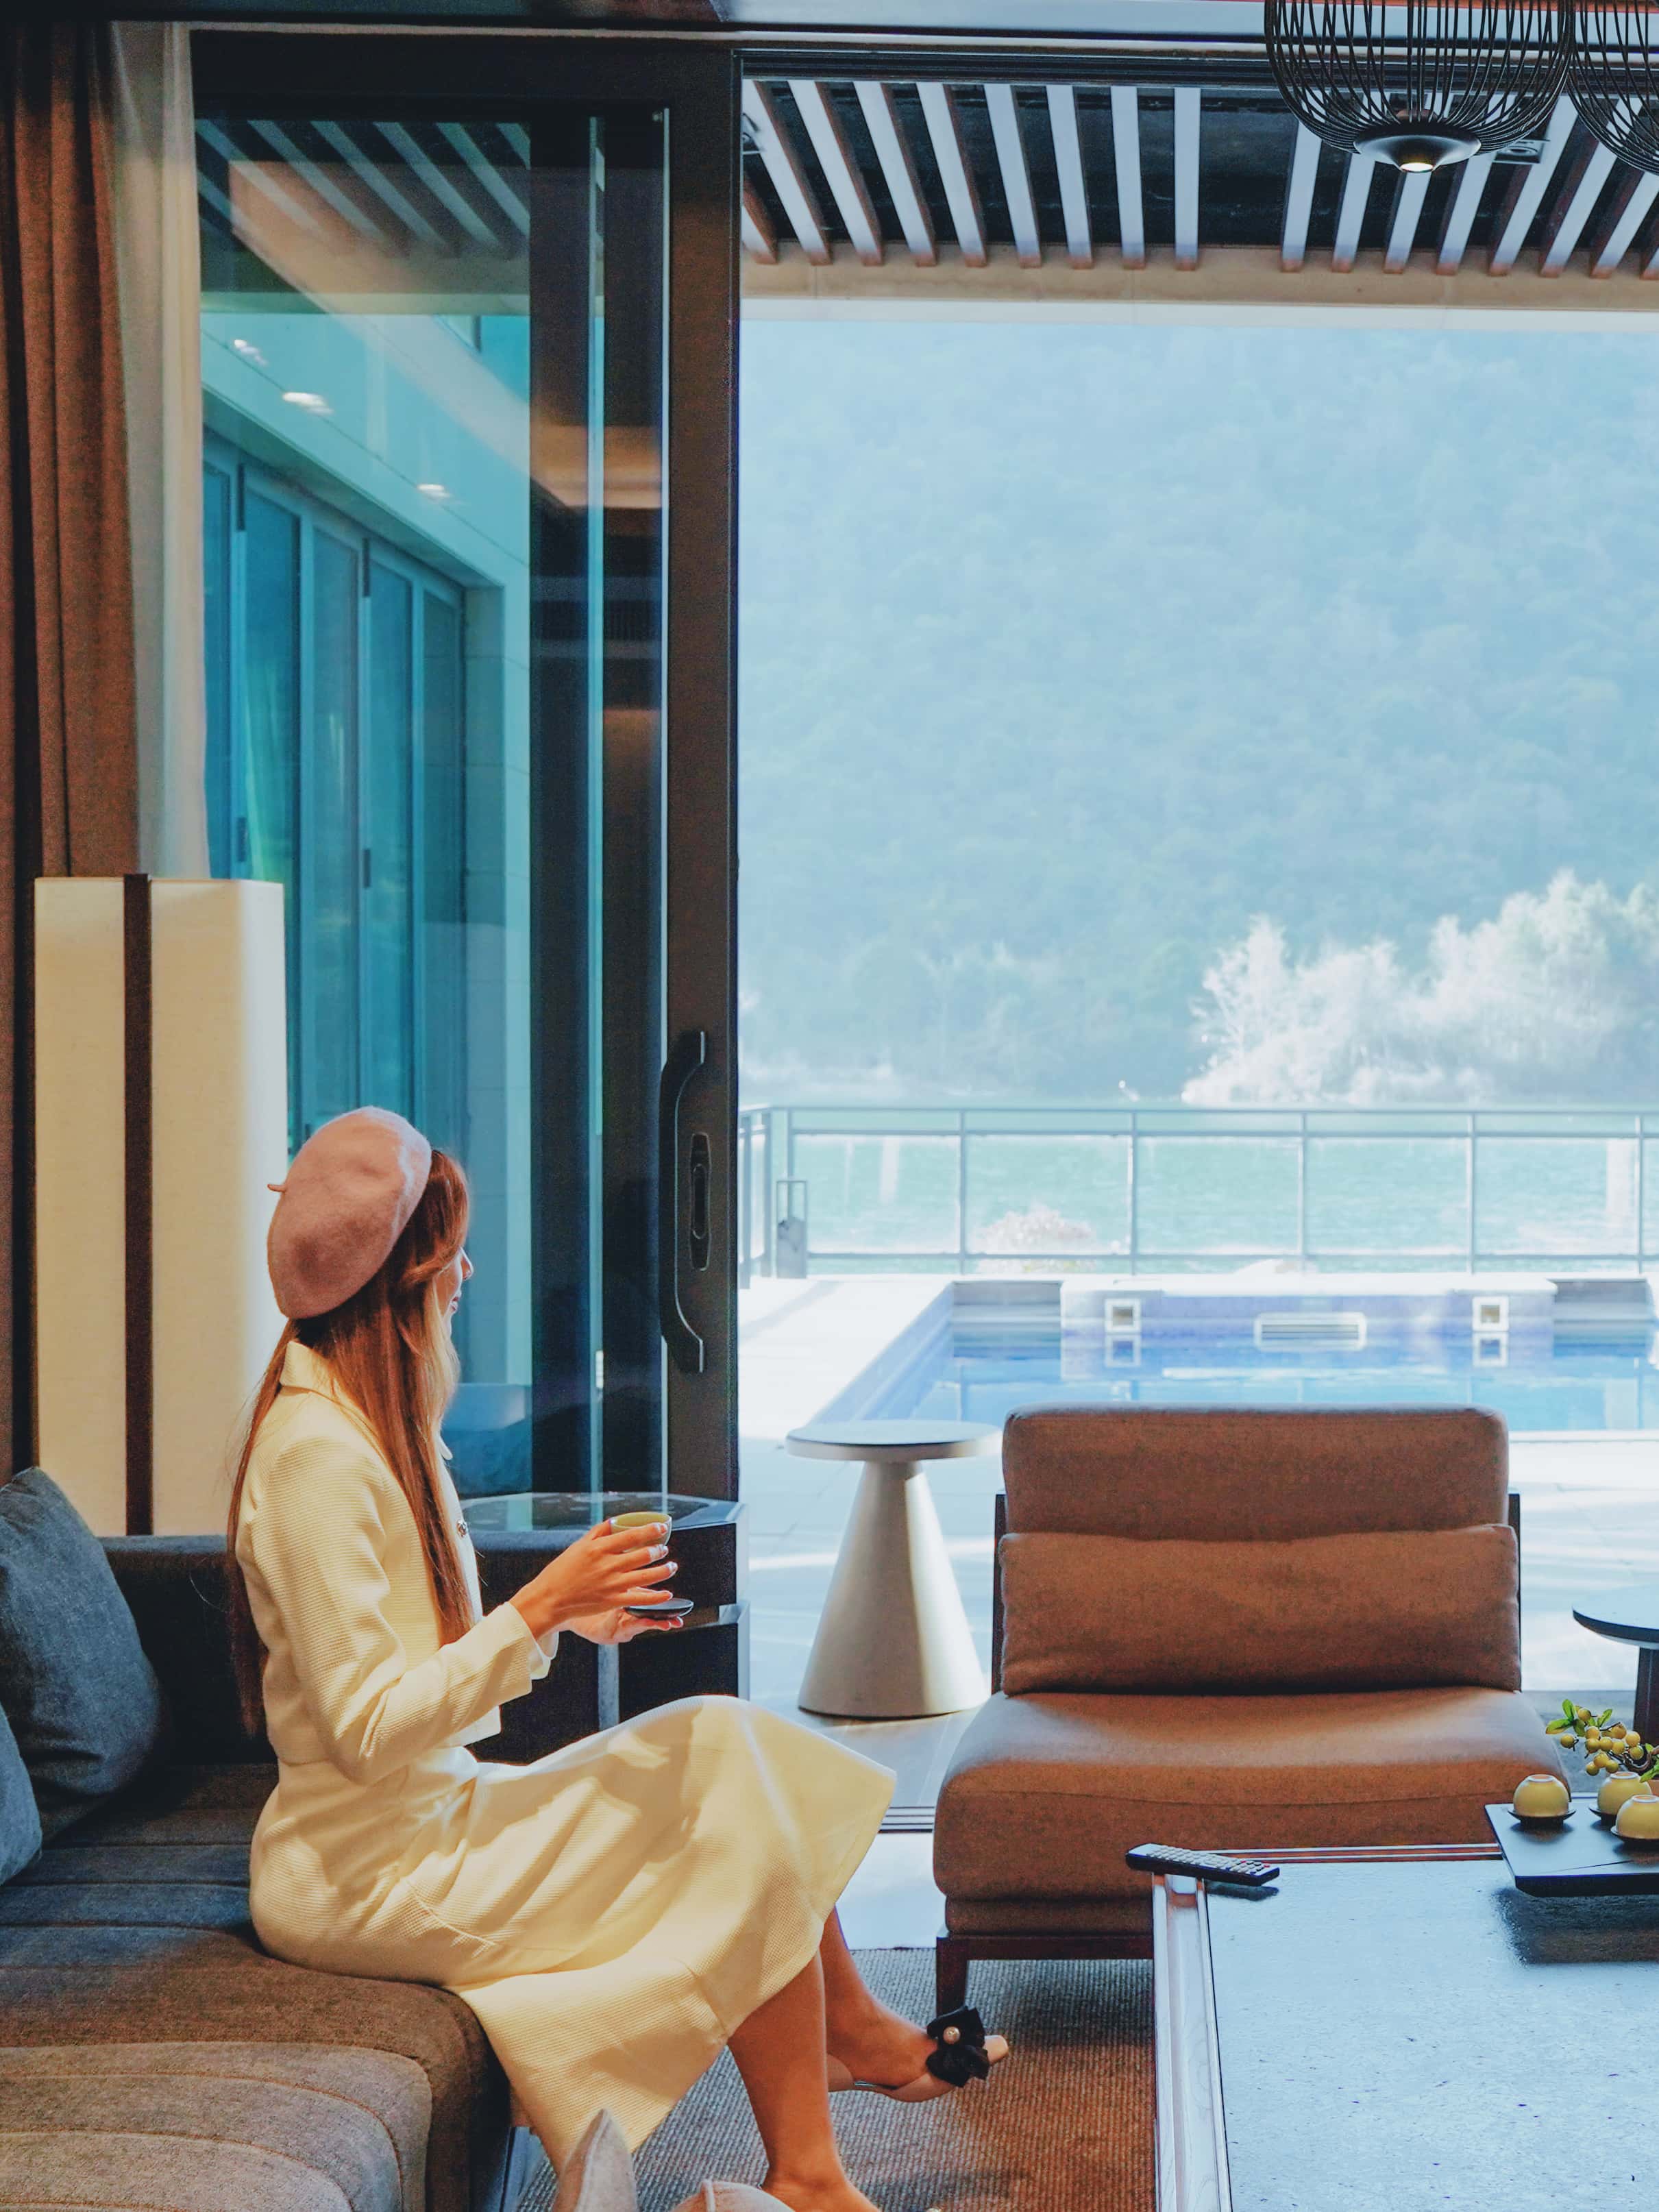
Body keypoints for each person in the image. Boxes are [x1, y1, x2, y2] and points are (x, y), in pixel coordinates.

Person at [227, 1108, 1005, 2212]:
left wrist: (567, 1621)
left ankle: (845, 2054)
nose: (468, 1277)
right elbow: (364, 1734)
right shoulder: (317, 1458)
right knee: (735, 1822)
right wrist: (539, 1606)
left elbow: (418, 1671)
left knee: (727, 1738)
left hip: (427, 1819)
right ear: (407, 1283)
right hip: (365, 1874)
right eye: (453, 1259)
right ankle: (818, 2152)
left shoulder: (376, 1423)